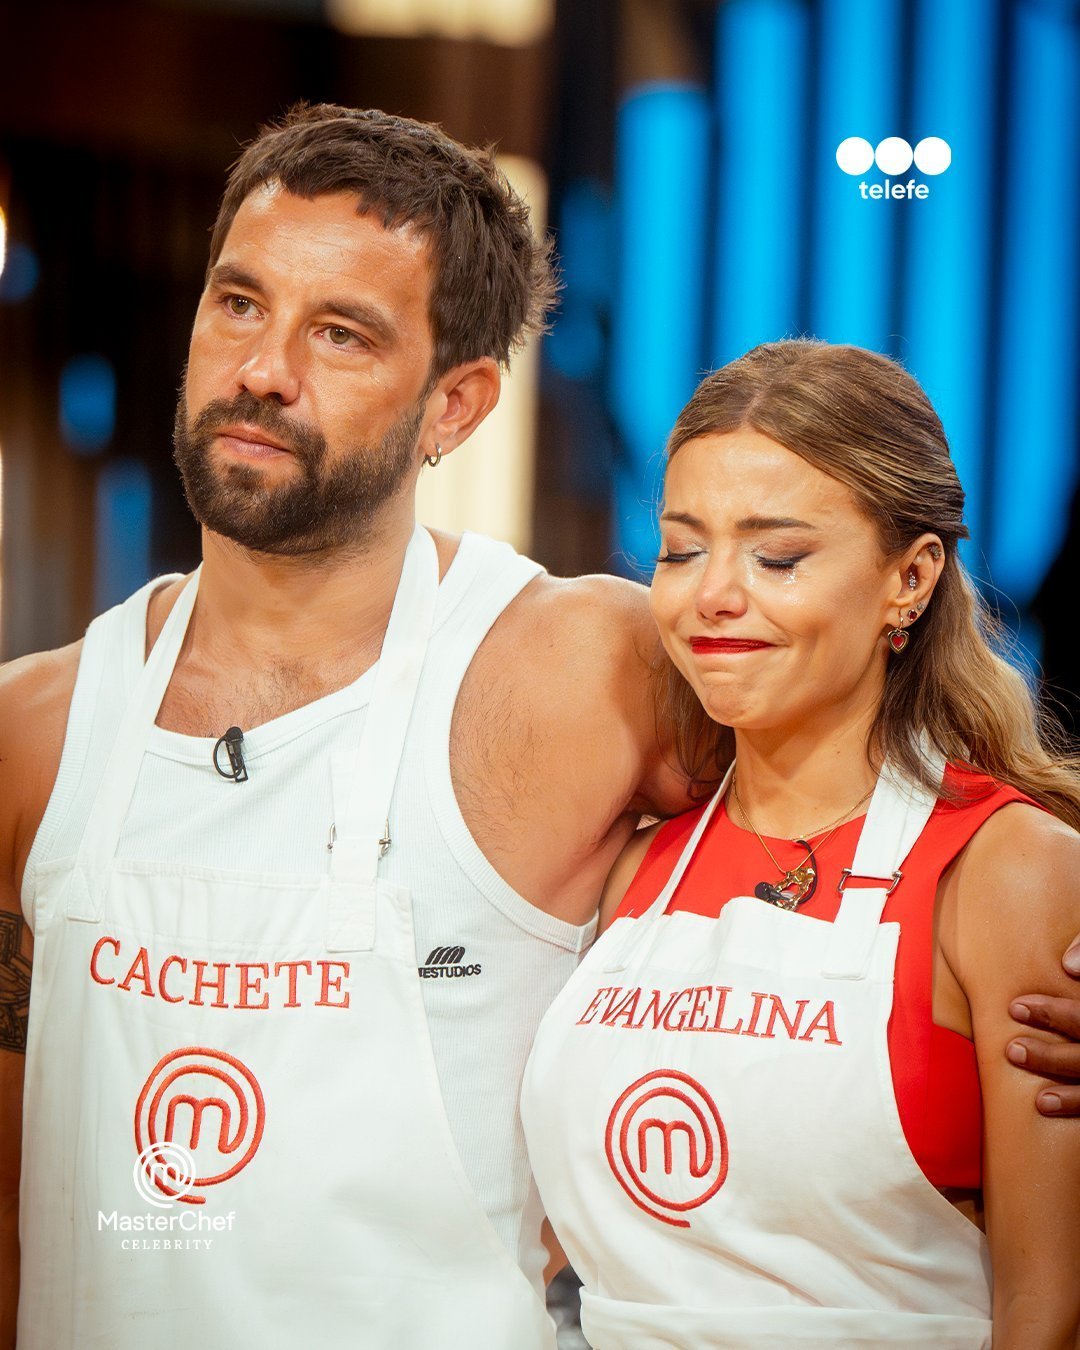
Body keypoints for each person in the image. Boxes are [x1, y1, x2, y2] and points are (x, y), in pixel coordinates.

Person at [0, 109, 1076, 1348]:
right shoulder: (34, 727)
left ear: (457, 406)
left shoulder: (591, 671)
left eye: (341, 332)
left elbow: (871, 810)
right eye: (239, 304)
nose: (264, 369)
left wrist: (1020, 965)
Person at [521, 339, 1080, 1349]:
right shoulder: (634, 868)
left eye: (776, 557)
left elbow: (1049, 1316)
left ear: (910, 579)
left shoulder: (1009, 871)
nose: (713, 595)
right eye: (681, 550)